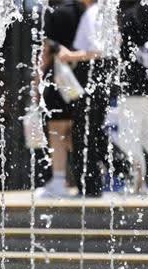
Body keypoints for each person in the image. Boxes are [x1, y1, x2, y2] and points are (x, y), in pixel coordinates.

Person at [58, 0, 130, 197]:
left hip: (95, 75)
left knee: (84, 131)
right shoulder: (103, 13)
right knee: (93, 130)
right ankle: (121, 168)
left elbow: (99, 51)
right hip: (103, 76)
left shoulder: (94, 14)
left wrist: (70, 56)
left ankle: (92, 185)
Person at [34, 0, 86, 198]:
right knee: (77, 131)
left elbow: (46, 51)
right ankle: (84, 177)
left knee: (57, 131)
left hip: (60, 81)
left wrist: (36, 82)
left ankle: (58, 181)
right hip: (83, 80)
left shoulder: (57, 14)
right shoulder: (88, 12)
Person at [117, 1, 148, 193]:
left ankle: (139, 183)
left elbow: (123, 52)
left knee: (130, 137)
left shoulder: (130, 17)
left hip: (133, 89)